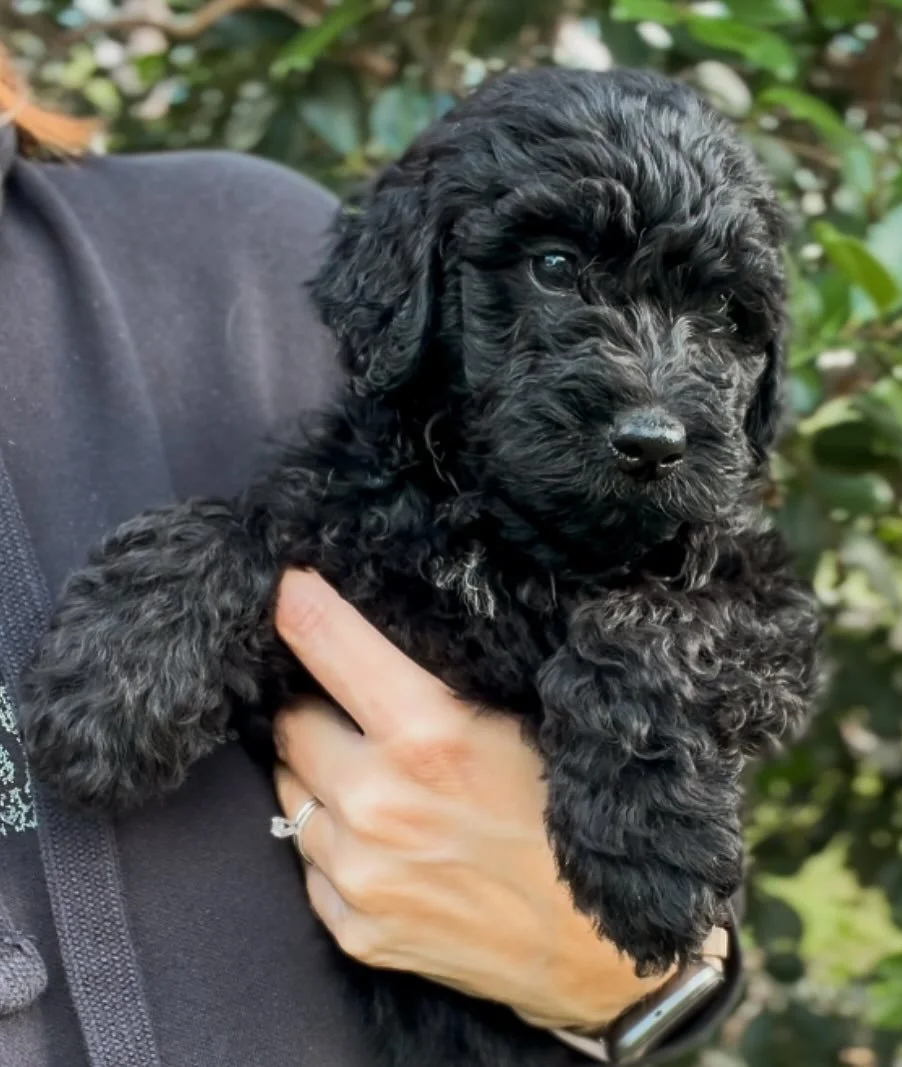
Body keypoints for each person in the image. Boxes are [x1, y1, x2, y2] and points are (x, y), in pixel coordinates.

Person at [0, 48, 739, 1067]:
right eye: (555, 272)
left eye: (718, 315)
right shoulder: (344, 463)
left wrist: (629, 981)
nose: (648, 384)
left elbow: (673, 937)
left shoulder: (243, 241)